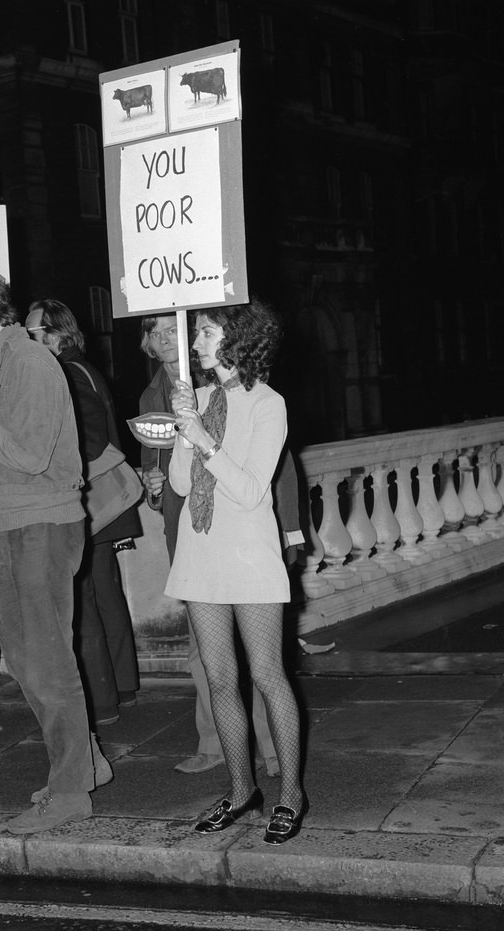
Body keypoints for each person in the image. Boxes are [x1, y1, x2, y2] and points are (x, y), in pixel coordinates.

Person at [0, 271, 109, 835]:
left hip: (42, 525)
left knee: (46, 661)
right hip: (21, 521)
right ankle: (86, 764)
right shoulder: (0, 365)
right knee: (31, 659)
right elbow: (28, 449)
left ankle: (72, 790)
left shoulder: (27, 362)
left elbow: (32, 455)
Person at [166, 300, 306, 844]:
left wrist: (203, 437)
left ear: (239, 341)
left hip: (248, 555)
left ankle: (292, 793)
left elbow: (250, 491)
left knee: (268, 676)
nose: (196, 342)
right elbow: (181, 486)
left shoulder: (269, 404)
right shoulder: (198, 400)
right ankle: (241, 788)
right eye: (197, 332)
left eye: (206, 332)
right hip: (201, 553)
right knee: (220, 680)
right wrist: (184, 430)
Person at [25, 299, 141, 728]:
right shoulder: (83, 369)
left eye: (33, 334)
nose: (28, 342)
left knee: (85, 603)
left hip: (87, 503)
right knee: (104, 595)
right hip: (102, 505)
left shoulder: (69, 375)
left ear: (56, 335)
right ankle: (122, 686)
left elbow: (90, 442)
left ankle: (103, 700)